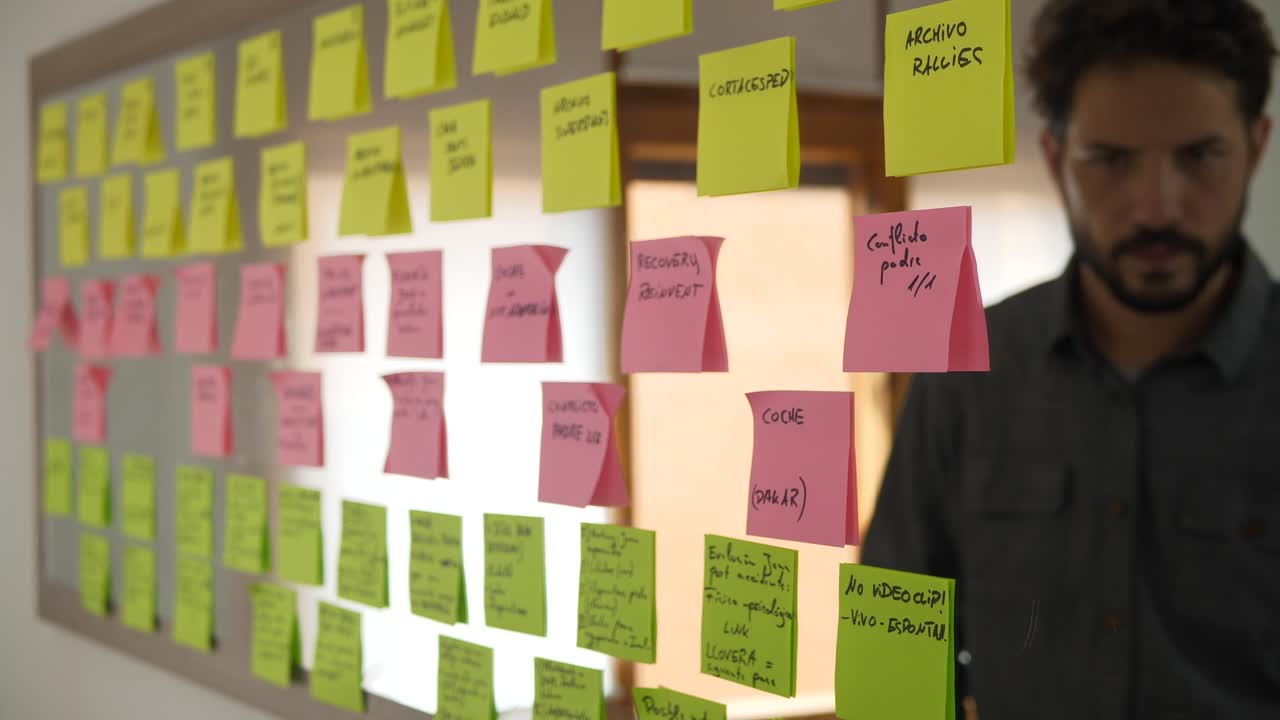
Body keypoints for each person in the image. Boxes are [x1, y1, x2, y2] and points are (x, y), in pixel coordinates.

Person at [860, 1, 1278, 718]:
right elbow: (891, 658)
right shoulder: (968, 372)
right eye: (1110, 160)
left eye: (1200, 156)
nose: (1156, 207)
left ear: (1257, 147)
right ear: (1056, 159)